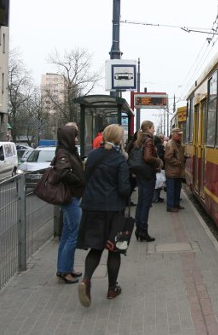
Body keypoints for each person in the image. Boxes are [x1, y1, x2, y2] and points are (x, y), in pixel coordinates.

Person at [76, 124, 132, 307]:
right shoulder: (119, 159)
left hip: (91, 208)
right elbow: (124, 189)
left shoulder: (92, 156)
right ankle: (111, 289)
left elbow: (86, 178)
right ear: (119, 139)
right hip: (112, 211)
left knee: (96, 248)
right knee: (114, 250)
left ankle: (86, 280)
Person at [53, 124, 86, 284]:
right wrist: (79, 181)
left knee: (67, 234)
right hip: (70, 197)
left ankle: (65, 268)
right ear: (68, 138)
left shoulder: (67, 151)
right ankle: (65, 271)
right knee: (73, 234)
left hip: (72, 197)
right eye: (75, 136)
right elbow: (63, 172)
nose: (77, 139)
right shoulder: (63, 153)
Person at [130, 120, 162, 241]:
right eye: (153, 127)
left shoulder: (139, 139)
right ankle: (143, 231)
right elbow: (148, 157)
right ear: (148, 128)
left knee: (141, 202)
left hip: (140, 174)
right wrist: (157, 161)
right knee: (146, 204)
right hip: (148, 175)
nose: (154, 130)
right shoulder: (149, 140)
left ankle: (138, 229)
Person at [164, 128, 186, 212]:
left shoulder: (177, 143)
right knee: (171, 190)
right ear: (173, 134)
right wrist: (178, 162)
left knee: (177, 189)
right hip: (172, 171)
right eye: (178, 135)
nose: (180, 136)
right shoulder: (170, 144)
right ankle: (170, 206)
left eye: (180, 135)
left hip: (177, 171)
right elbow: (168, 157)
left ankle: (176, 204)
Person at [152, 134, 166, 203]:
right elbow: (162, 156)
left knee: (158, 183)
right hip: (160, 167)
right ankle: (155, 198)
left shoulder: (154, 146)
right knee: (159, 183)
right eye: (162, 138)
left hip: (157, 167)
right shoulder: (160, 146)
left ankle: (156, 197)